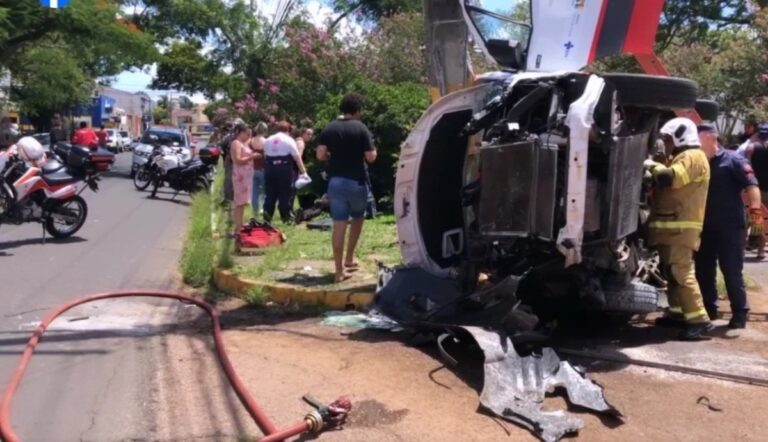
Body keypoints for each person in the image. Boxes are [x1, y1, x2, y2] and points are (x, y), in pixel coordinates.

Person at [645, 117, 713, 340]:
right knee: (671, 274)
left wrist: (650, 165)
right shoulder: (680, 156)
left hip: (681, 229)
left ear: (680, 136)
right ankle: (677, 314)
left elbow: (669, 177)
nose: (665, 143)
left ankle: (699, 321)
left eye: (667, 138)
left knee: (681, 274)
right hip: (671, 228)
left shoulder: (693, 156)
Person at [695, 124, 761, 329]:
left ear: (710, 138)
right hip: (705, 226)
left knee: (731, 270)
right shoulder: (698, 162)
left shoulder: (733, 160)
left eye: (697, 139)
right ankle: (709, 308)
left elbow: (752, 185)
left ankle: (740, 312)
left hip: (730, 226)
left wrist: (756, 212)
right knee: (703, 269)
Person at [316, 93, 378, 283]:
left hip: (336, 183)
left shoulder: (330, 128)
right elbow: (371, 157)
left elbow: (320, 155)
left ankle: (338, 270)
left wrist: (332, 158)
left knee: (339, 224)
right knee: (358, 218)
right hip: (357, 182)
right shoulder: (361, 128)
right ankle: (350, 258)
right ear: (358, 110)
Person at [263, 121, 308, 224]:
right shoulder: (289, 140)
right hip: (284, 167)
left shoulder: (268, 139)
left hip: (270, 167)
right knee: (285, 192)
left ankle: (267, 214)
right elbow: (297, 157)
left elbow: (265, 156)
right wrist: (303, 172)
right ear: (288, 130)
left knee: (270, 192)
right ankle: (285, 216)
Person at [744, 123, 768, 259]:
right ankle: (761, 250)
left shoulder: (751, 148)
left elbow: (747, 168)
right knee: (763, 220)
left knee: (754, 218)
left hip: (755, 188)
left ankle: (742, 249)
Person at [230, 124, 259, 235]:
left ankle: (240, 225)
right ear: (240, 132)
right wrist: (252, 157)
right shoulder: (236, 143)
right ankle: (237, 229)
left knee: (242, 203)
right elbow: (238, 160)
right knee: (239, 203)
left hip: (245, 177)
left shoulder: (243, 143)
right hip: (240, 177)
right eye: (247, 133)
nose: (249, 136)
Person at [250, 122, 268, 217]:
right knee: (265, 192)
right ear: (265, 130)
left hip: (252, 169)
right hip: (263, 169)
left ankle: (255, 210)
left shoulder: (251, 141)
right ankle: (263, 209)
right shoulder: (265, 141)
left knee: (254, 192)